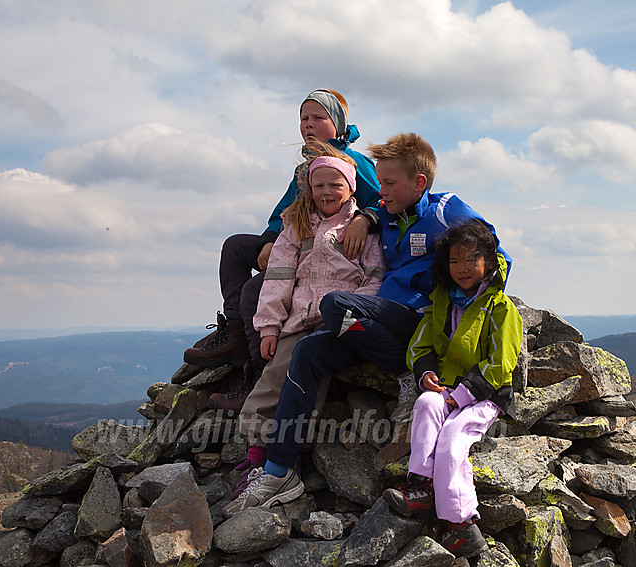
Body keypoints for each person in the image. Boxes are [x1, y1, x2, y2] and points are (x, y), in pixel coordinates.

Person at [223, 132, 511, 517]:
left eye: (389, 183)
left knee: (334, 304)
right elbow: (360, 209)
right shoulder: (384, 216)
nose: (382, 191)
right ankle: (279, 470)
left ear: (419, 182)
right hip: (372, 328)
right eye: (379, 181)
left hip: (412, 322)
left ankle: (401, 372)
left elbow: (494, 252)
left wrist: (468, 306)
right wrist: (368, 217)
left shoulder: (445, 209)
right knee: (309, 350)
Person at [183, 89, 381, 411]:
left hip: (324, 253)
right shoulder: (304, 169)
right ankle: (234, 331)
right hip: (295, 240)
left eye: (319, 117)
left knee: (253, 291)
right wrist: (267, 241)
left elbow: (382, 200)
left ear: (339, 124)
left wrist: (366, 219)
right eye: (304, 118)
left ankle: (257, 379)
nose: (308, 124)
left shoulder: (353, 162)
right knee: (235, 247)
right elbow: (284, 213)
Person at [222, 145, 384, 516]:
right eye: (319, 185)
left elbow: (374, 279)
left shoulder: (363, 230)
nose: (327, 192)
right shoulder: (296, 226)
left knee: (308, 377)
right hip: (298, 319)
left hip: (338, 321)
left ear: (352, 188)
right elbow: (277, 278)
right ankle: (259, 458)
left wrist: (351, 317)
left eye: (336, 185)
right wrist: (268, 328)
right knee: (274, 376)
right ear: (309, 189)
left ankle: (286, 459)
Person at [382, 219, 522, 558]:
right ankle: (421, 487)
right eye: (454, 260)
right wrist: (427, 374)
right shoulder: (442, 302)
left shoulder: (501, 309)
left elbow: (501, 364)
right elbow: (420, 345)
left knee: (453, 437)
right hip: (445, 388)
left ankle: (461, 525)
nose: (461, 268)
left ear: (489, 261)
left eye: (471, 259)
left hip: (484, 396)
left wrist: (461, 396)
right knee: (426, 405)